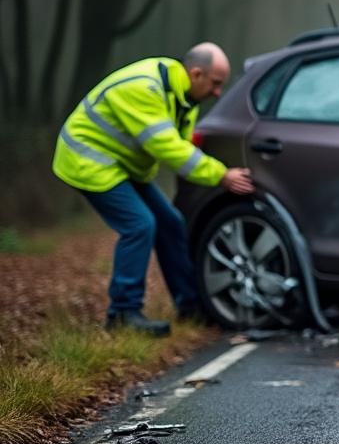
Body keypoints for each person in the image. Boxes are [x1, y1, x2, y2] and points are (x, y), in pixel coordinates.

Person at [52, 43, 254, 336]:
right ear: (196, 74)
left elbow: (180, 146)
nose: (217, 93)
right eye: (215, 84)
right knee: (139, 225)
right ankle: (123, 314)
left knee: (170, 223)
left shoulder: (183, 97)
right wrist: (222, 175)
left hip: (122, 164)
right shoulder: (145, 89)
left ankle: (192, 307)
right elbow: (170, 149)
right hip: (87, 158)